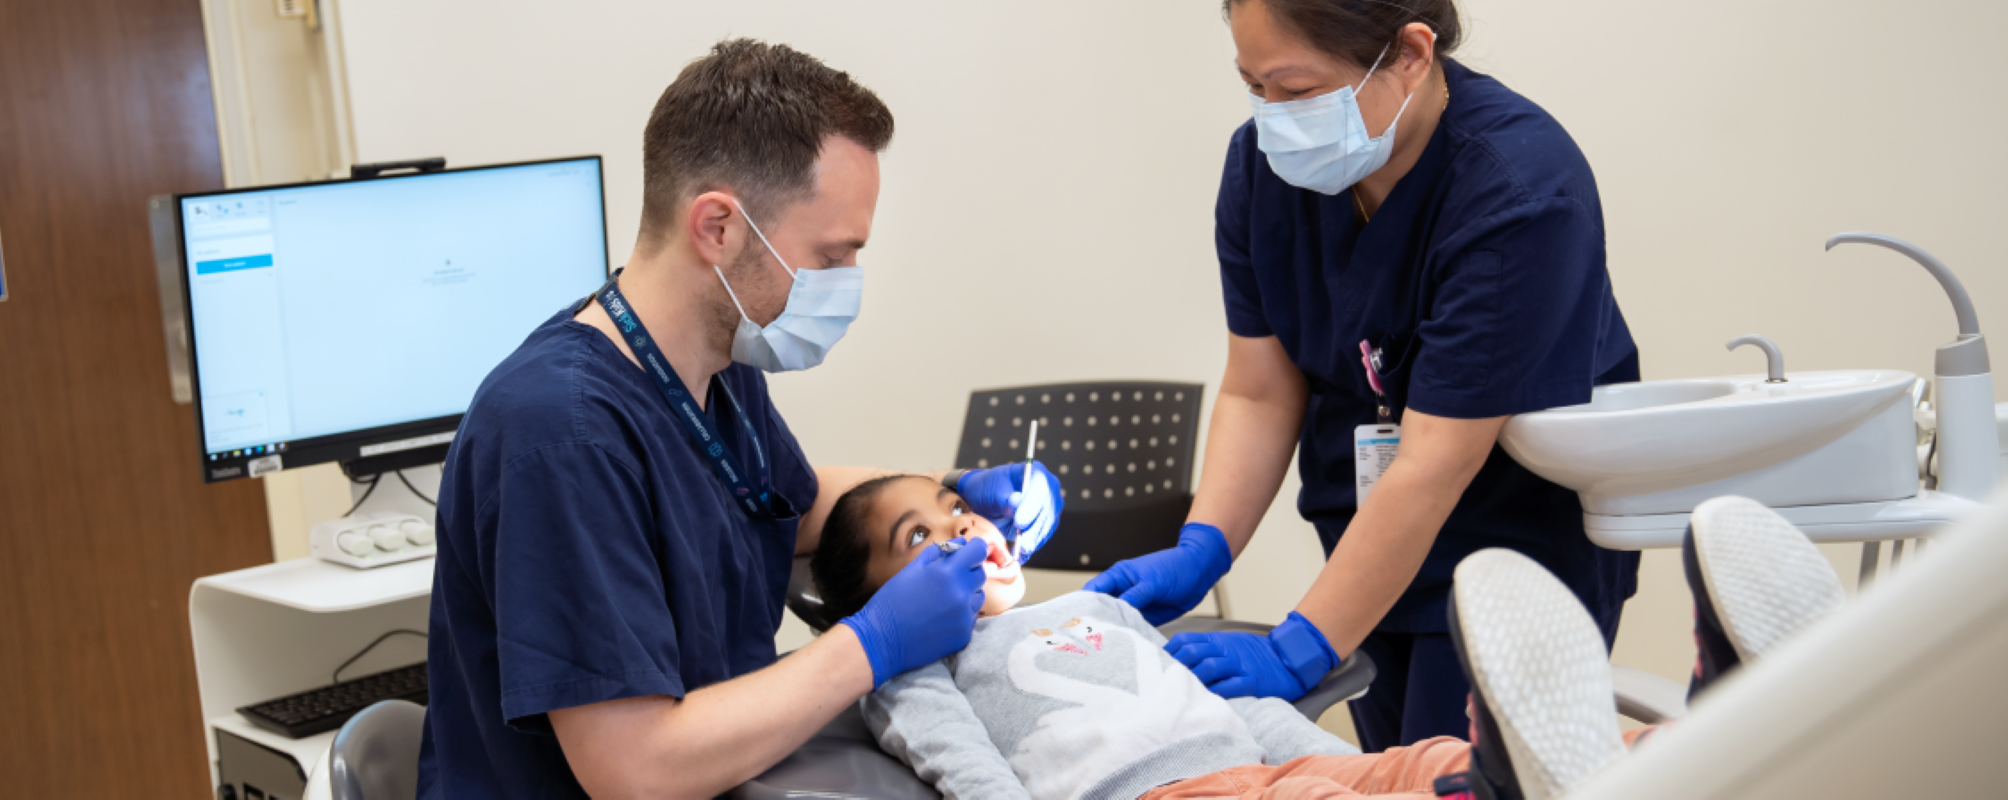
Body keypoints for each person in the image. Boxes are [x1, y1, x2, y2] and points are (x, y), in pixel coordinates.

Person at [416, 40, 1065, 798]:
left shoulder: (715, 363)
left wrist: (948, 489)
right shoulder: (561, 435)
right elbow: (636, 770)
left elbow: (772, 502)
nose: (848, 284)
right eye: (832, 256)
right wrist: (874, 643)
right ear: (718, 227)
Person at [1085, 0, 1643, 753]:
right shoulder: (1262, 171)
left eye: (1297, 90)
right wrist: (1203, 545)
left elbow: (1431, 465)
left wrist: (1298, 647)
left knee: (1450, 776)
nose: (1272, 118)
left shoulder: (1520, 192)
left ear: (1410, 53)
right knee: (1386, 771)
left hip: (1512, 561)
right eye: (1253, 87)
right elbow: (1259, 387)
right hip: (1366, 548)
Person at [810, 475, 1677, 800]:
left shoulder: (1100, 611)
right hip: (1168, 797)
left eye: (956, 508)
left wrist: (1344, 767)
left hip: (1267, 770)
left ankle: (1682, 742)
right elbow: (968, 770)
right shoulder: (916, 664)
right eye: (919, 539)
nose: (961, 531)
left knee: (1419, 762)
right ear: (879, 603)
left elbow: (1240, 717)